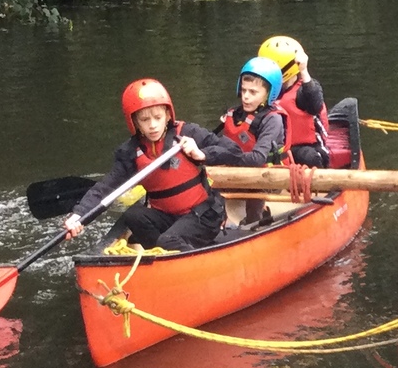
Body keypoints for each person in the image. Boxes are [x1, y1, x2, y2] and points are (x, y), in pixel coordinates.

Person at [63, 78, 242, 252]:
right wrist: (80, 215)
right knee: (132, 216)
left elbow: (234, 151)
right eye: (145, 120)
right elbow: (105, 188)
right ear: (134, 123)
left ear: (168, 115)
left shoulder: (189, 133)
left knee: (168, 240)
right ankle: (166, 254)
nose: (153, 125)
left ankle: (182, 255)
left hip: (203, 215)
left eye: (158, 117)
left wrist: (202, 154)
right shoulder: (131, 153)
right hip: (168, 217)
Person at [217, 56, 287, 227]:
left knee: (257, 186)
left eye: (253, 92)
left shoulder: (273, 120)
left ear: (269, 94)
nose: (246, 97)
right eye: (243, 90)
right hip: (238, 170)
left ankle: (255, 222)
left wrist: (224, 154)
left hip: (267, 176)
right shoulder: (235, 114)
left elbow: (257, 159)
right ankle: (213, 222)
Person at [257, 34, 335, 167]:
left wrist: (303, 71)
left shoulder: (304, 90)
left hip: (306, 147)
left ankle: (319, 185)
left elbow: (315, 105)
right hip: (277, 146)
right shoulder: (263, 89)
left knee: (310, 157)